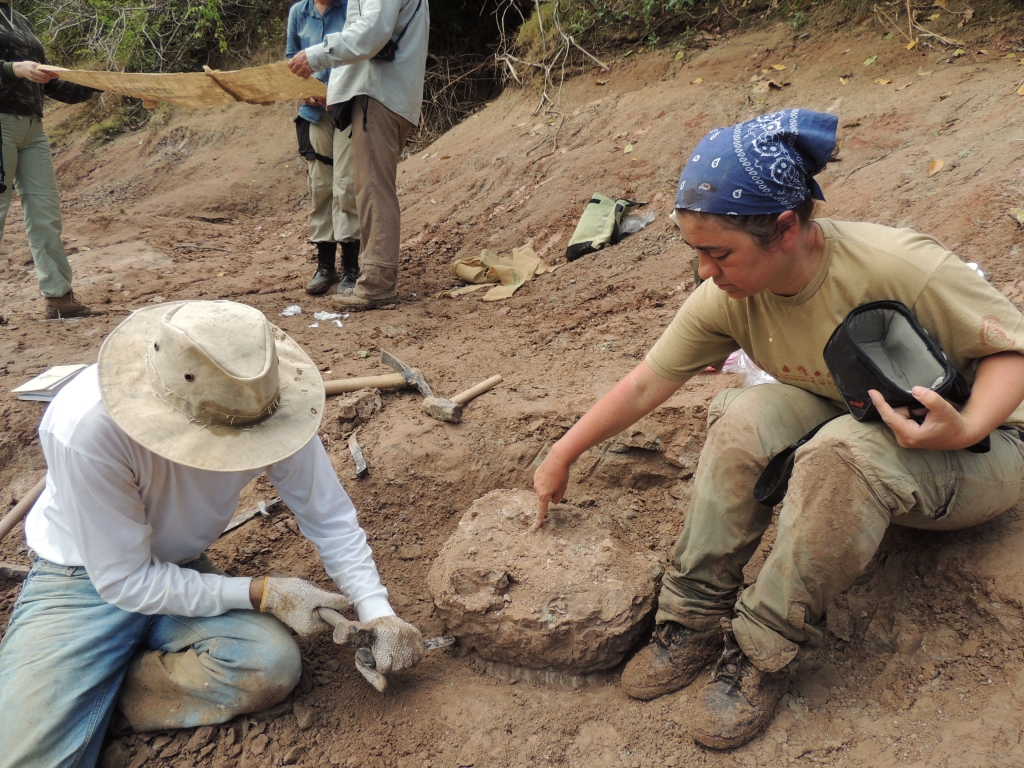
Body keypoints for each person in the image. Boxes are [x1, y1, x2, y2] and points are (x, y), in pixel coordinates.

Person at [532, 109, 1024, 749]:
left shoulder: (898, 265)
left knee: (840, 453)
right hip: (865, 418)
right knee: (743, 417)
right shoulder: (731, 294)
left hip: (984, 448)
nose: (707, 271)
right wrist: (562, 453)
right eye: (697, 253)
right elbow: (646, 382)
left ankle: (762, 649)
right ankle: (693, 616)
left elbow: (1012, 353)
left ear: (786, 229)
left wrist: (962, 429)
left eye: (720, 254)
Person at [0, 300, 423, 767]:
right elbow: (124, 580)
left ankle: (108, 686)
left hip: (179, 566)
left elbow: (328, 516)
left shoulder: (265, 403)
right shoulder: (85, 428)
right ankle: (79, 686)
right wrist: (262, 593)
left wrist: (376, 609)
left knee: (270, 663)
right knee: (24, 756)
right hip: (83, 578)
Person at [288, 0, 429, 312]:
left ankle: (377, 283)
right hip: (387, 94)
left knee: (372, 190)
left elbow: (371, 33)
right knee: (369, 188)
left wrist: (315, 56)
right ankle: (374, 276)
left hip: (377, 94)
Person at [0, 0, 97, 319]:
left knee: (45, 212)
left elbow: (49, 81)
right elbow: (18, 69)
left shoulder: (21, 20)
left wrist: (95, 85)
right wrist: (12, 69)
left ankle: (59, 298)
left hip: (33, 128)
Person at [286, 0, 361, 295]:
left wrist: (335, 92)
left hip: (347, 108)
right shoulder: (297, 13)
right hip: (313, 113)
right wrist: (305, 93)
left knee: (346, 184)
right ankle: (325, 267)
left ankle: (351, 268)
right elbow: (291, 61)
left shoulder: (351, 8)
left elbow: (362, 52)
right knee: (320, 186)